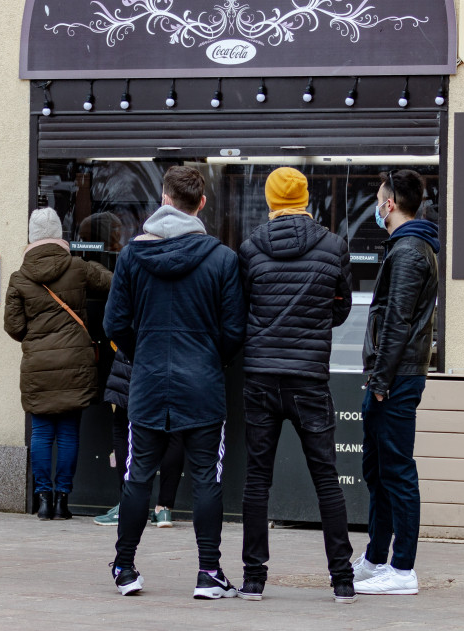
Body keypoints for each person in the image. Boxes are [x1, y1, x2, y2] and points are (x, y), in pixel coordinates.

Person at [104, 166, 246, 599]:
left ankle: (125, 567)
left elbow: (115, 323)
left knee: (138, 475)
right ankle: (208, 573)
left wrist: (142, 354)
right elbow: (234, 331)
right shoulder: (222, 258)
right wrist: (208, 358)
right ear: (201, 204)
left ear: (163, 199)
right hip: (202, 383)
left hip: (147, 383)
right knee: (206, 477)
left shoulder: (131, 256)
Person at [237, 167, 356, 603]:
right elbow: (340, 306)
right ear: (306, 198)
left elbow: (240, 308)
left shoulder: (249, 249)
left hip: (261, 378)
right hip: (309, 378)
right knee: (327, 478)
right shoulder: (333, 246)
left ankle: (253, 579)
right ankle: (342, 580)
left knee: (256, 480)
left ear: (270, 201)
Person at [353, 169, 439, 595]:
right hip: (392, 375)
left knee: (397, 472)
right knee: (379, 470)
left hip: (397, 377)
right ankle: (374, 559)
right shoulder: (407, 246)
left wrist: (380, 381)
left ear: (389, 204)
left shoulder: (408, 250)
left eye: (379, 196)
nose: (378, 203)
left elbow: (397, 321)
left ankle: (402, 569)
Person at [4, 207, 112, 520]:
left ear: (31, 238)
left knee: (40, 434)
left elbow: (13, 326)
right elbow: (114, 283)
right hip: (75, 362)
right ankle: (63, 499)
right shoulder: (78, 267)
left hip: (38, 363)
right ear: (59, 236)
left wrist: (36, 337)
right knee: (67, 434)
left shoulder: (20, 277)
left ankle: (43, 500)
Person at [93, 345, 186, 529]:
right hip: (179, 358)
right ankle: (164, 509)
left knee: (124, 427)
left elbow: (114, 322)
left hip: (138, 357)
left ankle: (128, 506)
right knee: (175, 430)